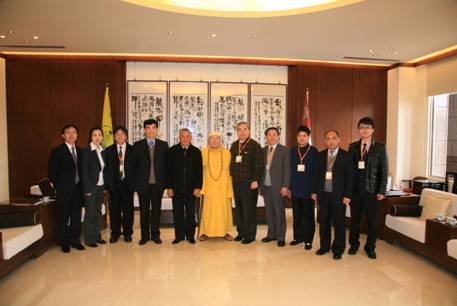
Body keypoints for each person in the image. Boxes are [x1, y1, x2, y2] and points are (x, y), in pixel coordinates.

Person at [348, 117, 388, 259]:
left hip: (372, 191)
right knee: (355, 220)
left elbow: (384, 170)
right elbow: (350, 170)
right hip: (356, 191)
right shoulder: (352, 146)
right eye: (362, 127)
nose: (364, 130)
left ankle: (370, 247)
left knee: (373, 222)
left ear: (373, 129)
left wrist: (382, 190)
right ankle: (354, 245)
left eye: (367, 127)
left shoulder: (380, 148)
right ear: (359, 130)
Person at [313, 130, 353, 260]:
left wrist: (347, 195)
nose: (331, 141)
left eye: (334, 138)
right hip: (323, 195)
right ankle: (324, 247)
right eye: (328, 138)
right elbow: (316, 175)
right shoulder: (320, 155)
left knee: (339, 223)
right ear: (325, 141)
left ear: (339, 139)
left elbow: (350, 178)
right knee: (323, 222)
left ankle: (338, 249)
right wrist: (315, 192)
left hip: (339, 196)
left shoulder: (346, 156)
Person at [48, 124, 85, 253]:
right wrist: (58, 188)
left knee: (76, 216)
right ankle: (64, 242)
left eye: (74, 132)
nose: (71, 134)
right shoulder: (57, 151)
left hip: (78, 189)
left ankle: (75, 240)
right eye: (68, 132)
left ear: (77, 135)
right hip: (63, 190)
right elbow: (52, 173)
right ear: (63, 135)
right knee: (63, 216)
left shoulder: (81, 151)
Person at [134, 119, 169, 245]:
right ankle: (144, 236)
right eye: (148, 128)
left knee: (156, 211)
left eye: (154, 127)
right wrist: (136, 185)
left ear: (157, 129)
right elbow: (134, 167)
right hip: (143, 185)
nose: (151, 130)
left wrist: (166, 184)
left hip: (158, 185)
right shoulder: (137, 145)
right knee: (143, 211)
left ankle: (155, 235)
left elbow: (166, 166)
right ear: (144, 130)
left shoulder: (163, 145)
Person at [166, 128, 203, 244]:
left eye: (187, 136)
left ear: (191, 138)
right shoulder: (172, 151)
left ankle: (190, 236)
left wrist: (198, 187)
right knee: (177, 212)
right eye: (183, 136)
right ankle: (179, 236)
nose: (185, 138)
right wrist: (169, 187)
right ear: (179, 138)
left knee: (191, 213)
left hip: (191, 189)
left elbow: (199, 172)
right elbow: (168, 171)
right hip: (176, 188)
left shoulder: (196, 152)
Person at [229, 122, 264, 244]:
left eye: (245, 129)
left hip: (249, 183)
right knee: (239, 209)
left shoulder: (255, 145)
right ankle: (241, 232)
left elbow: (259, 165)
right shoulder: (234, 145)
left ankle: (250, 235)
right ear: (237, 131)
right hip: (236, 181)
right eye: (239, 129)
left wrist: (255, 180)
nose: (242, 132)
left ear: (249, 130)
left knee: (249, 209)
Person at [199, 132, 234, 241]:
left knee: (224, 211)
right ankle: (204, 232)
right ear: (208, 140)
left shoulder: (227, 153)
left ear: (220, 140)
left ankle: (226, 232)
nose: (214, 141)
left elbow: (229, 172)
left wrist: (229, 188)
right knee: (207, 211)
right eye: (212, 139)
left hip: (223, 188)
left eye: (217, 138)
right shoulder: (203, 152)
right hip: (208, 187)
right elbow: (199, 171)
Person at [104, 126, 137, 243]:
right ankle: (115, 233)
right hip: (114, 186)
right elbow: (106, 170)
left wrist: (134, 185)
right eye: (117, 134)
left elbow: (137, 169)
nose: (120, 136)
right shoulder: (108, 151)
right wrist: (108, 185)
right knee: (114, 211)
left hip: (128, 185)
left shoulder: (133, 150)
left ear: (126, 136)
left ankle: (127, 233)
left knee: (128, 211)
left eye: (122, 134)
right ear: (114, 137)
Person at [259, 127, 290, 247]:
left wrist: (286, 186)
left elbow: (287, 170)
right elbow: (262, 169)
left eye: (274, 135)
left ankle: (281, 237)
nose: (272, 137)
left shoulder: (284, 150)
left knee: (279, 212)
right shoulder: (263, 150)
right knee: (269, 212)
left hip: (278, 186)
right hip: (266, 186)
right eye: (269, 135)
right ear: (266, 137)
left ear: (278, 136)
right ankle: (271, 234)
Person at [288, 125, 318, 250]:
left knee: (308, 216)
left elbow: (317, 172)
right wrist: (289, 188)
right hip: (295, 189)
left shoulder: (313, 151)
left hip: (308, 190)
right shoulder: (292, 151)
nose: (302, 138)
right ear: (297, 137)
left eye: (304, 136)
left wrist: (314, 191)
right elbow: (289, 171)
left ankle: (308, 240)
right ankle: (298, 237)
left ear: (308, 137)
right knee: (297, 215)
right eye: (299, 136)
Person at [81, 127, 107, 247]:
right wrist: (86, 189)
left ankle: (97, 236)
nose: (97, 137)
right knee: (90, 212)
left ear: (102, 137)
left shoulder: (102, 150)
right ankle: (89, 238)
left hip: (100, 186)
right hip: (91, 187)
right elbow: (84, 171)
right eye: (94, 135)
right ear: (90, 137)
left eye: (99, 135)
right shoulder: (86, 151)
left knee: (97, 211)